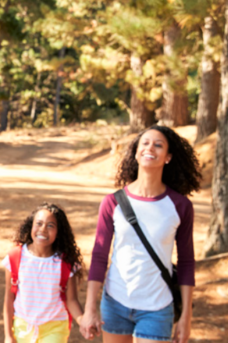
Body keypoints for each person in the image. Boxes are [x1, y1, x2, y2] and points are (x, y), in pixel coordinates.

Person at [79, 125, 201, 343]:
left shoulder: (180, 206)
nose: (150, 148)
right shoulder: (113, 202)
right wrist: (90, 309)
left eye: (158, 145)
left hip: (157, 306)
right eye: (144, 143)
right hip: (115, 302)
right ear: (136, 153)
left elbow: (186, 263)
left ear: (168, 157)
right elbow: (99, 257)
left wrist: (186, 316)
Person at [2, 203, 86, 343]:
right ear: (31, 226)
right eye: (39, 223)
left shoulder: (65, 263)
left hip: (55, 327)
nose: (43, 229)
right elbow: (9, 300)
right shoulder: (15, 257)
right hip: (22, 326)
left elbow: (72, 301)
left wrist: (83, 320)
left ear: (59, 232)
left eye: (50, 225)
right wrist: (8, 335)